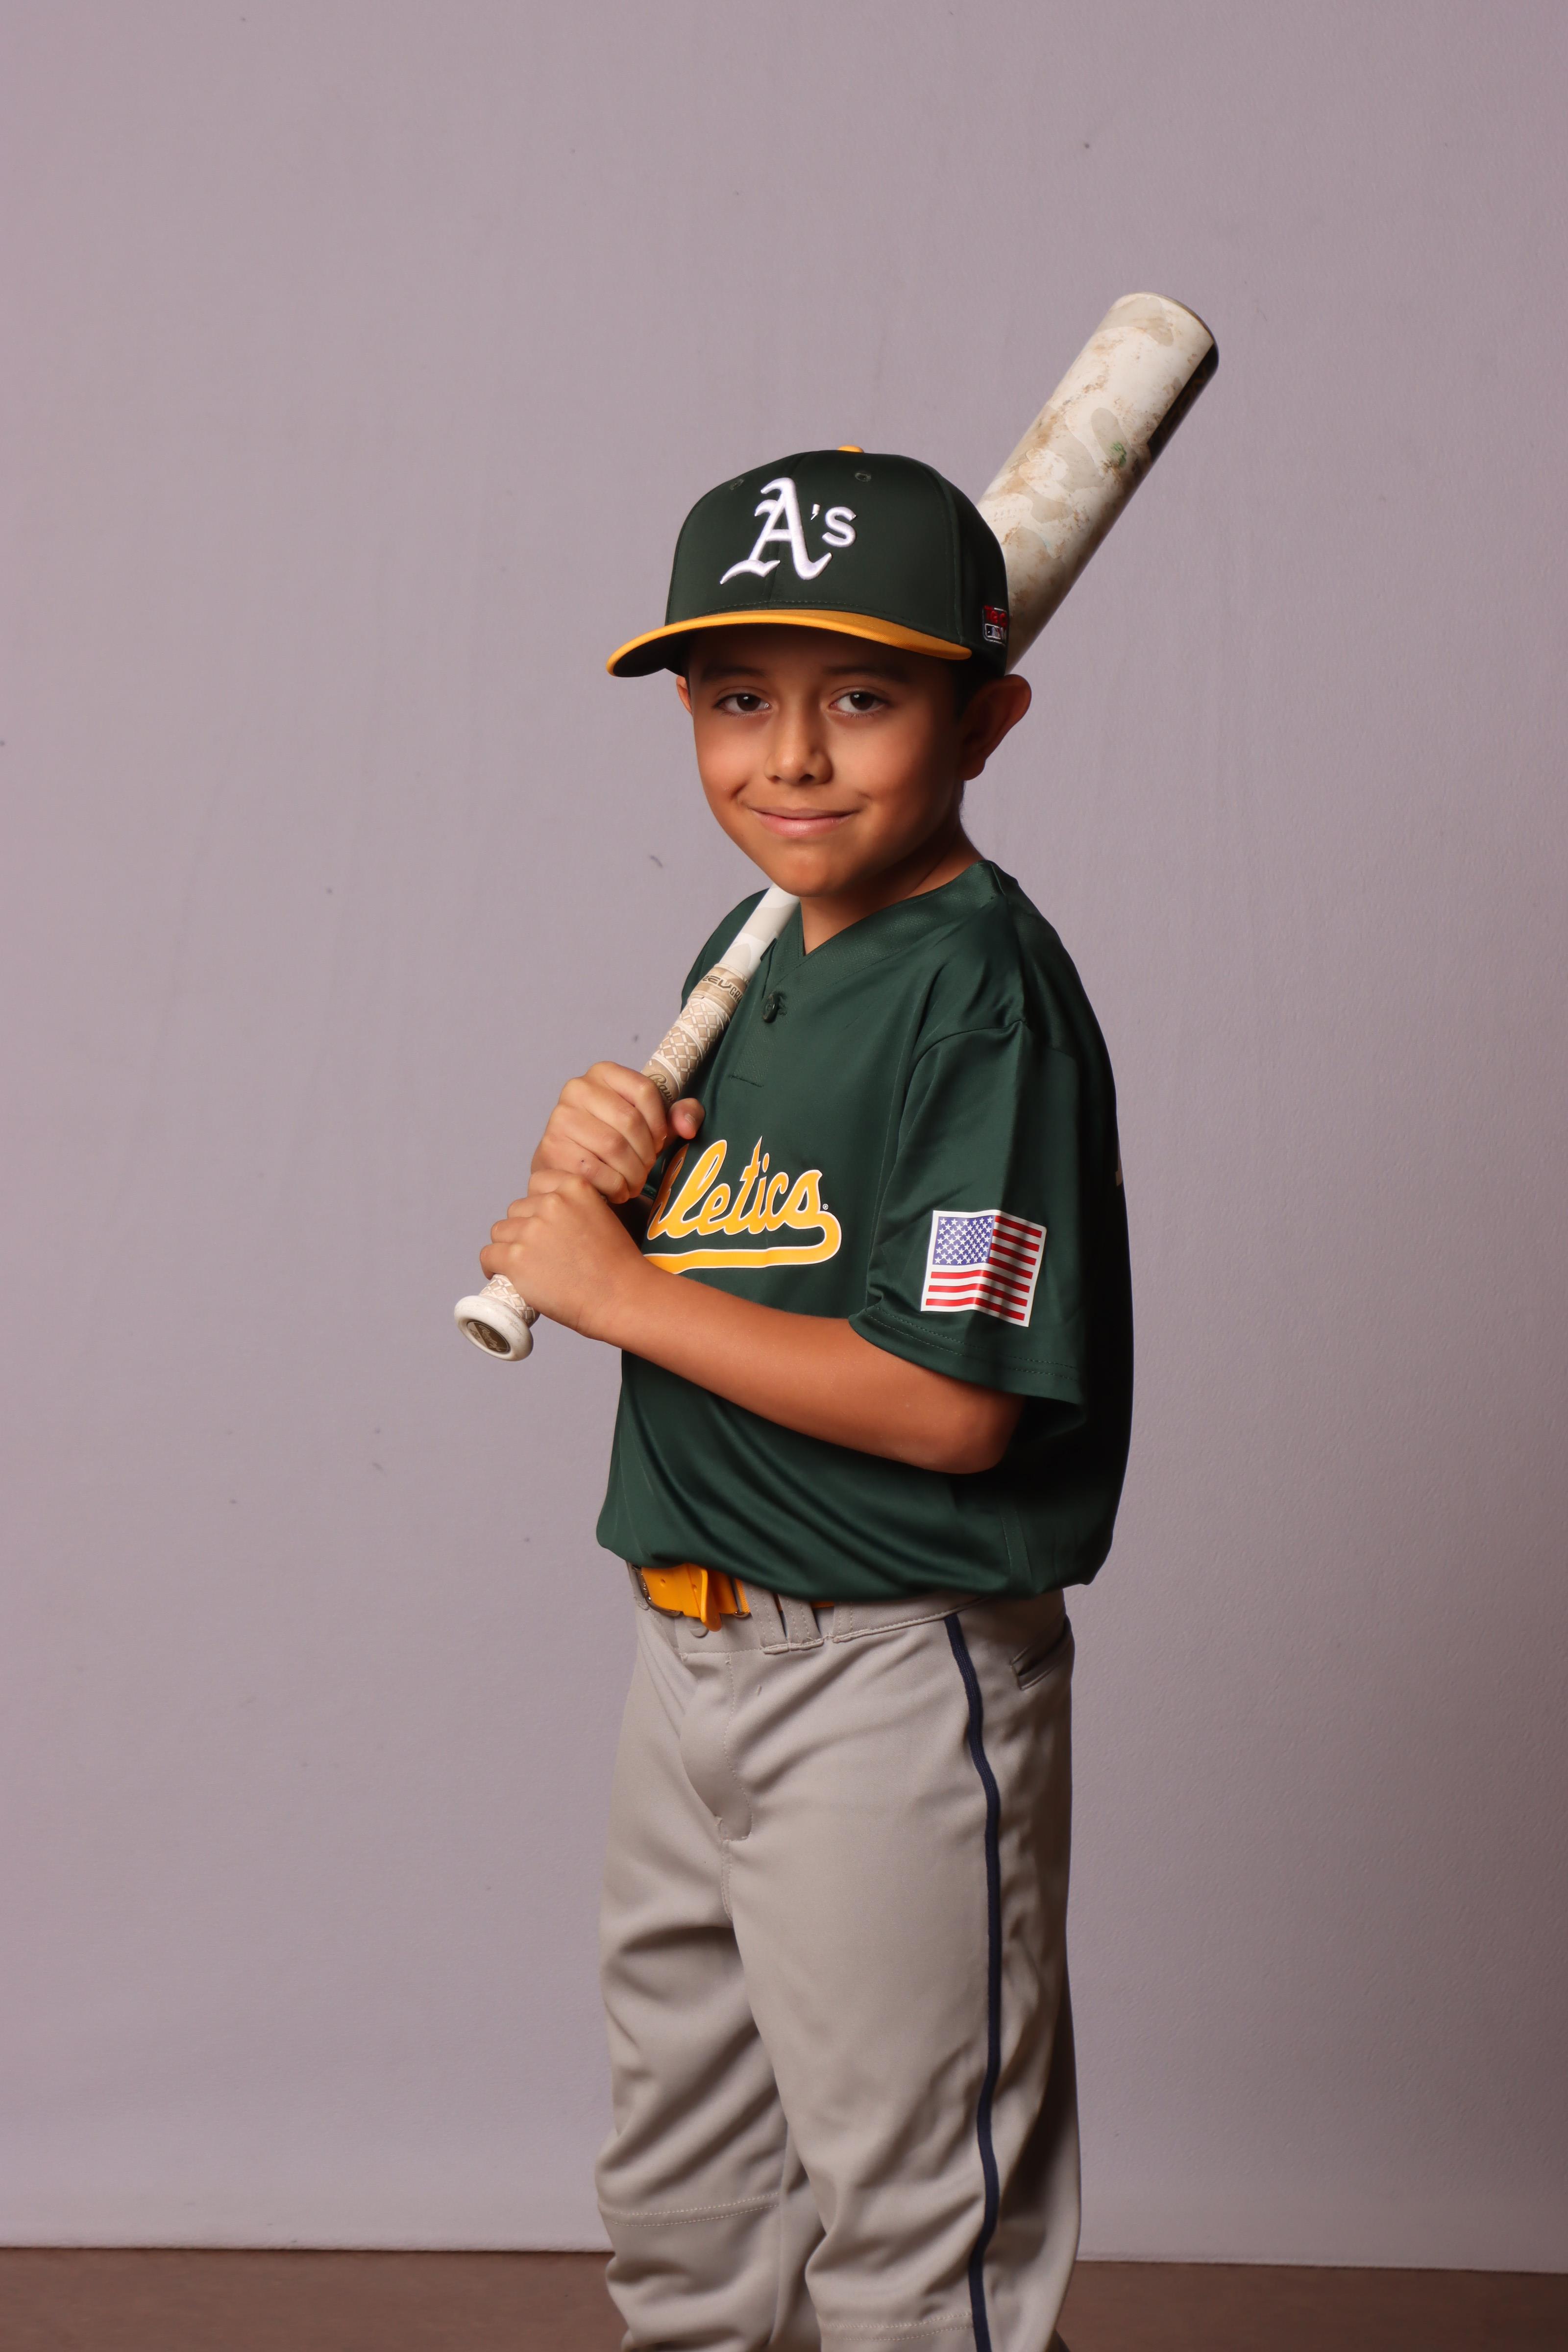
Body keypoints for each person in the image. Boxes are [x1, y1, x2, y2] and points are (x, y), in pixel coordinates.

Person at [479, 448, 1132, 2352]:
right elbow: (745, 1269)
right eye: (735, 699)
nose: (789, 758)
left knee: (915, 2237)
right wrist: (613, 1185)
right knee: (688, 2217)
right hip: (685, 1652)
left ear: (983, 721)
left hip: (887, 1674)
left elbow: (952, 1411)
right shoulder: (751, 945)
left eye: (862, 697)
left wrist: (617, 1292)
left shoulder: (984, 998)